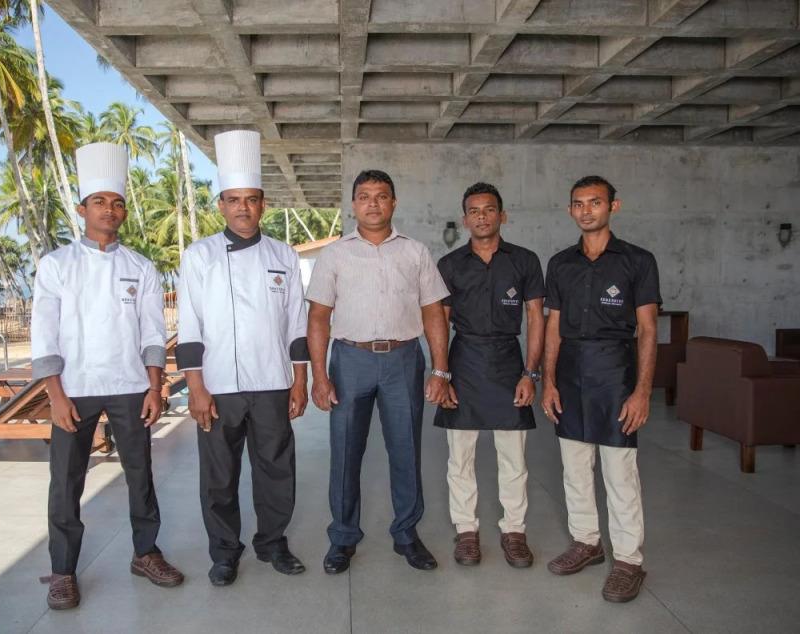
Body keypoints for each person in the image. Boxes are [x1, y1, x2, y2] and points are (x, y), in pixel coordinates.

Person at [33, 142, 183, 611]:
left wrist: (155, 386)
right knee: (66, 481)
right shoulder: (56, 265)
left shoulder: (140, 267)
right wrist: (55, 395)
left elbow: (153, 333)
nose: (109, 209)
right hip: (74, 389)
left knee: (141, 474)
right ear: (82, 210)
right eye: (99, 201)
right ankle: (63, 571)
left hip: (130, 386)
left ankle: (146, 553)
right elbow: (45, 335)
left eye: (117, 202)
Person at [176, 130, 309, 587]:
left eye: (251, 199)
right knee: (219, 475)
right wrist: (195, 387)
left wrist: (300, 380)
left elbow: (296, 323)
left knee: (277, 469)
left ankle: (272, 543)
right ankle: (224, 553)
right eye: (233, 200)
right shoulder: (199, 256)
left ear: (263, 204)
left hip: (272, 381)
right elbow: (189, 326)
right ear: (221, 205)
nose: (243, 208)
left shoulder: (283, 255)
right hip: (217, 385)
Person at [306, 169, 450, 574]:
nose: (373, 203)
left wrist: (440, 370)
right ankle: (343, 537)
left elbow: (434, 312)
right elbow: (318, 317)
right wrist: (320, 376)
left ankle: (406, 534)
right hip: (350, 360)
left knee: (406, 450)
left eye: (381, 195)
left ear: (394, 203)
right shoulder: (335, 254)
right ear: (354, 204)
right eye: (365, 196)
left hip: (403, 359)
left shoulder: (415, 252)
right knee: (345, 451)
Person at [541, 175, 660, 603]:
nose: (586, 210)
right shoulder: (560, 263)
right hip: (570, 372)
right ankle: (586, 542)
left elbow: (648, 330)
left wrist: (642, 391)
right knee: (574, 467)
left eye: (595, 202)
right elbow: (553, 326)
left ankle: (628, 561)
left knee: (619, 471)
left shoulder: (638, 261)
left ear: (613, 206)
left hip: (615, 372)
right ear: (570, 210)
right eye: (579, 203)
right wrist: (548, 381)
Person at [435, 182, 545, 568]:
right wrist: (442, 373)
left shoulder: (525, 261)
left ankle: (514, 531)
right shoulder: (449, 265)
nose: (482, 217)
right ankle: (466, 531)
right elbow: (439, 321)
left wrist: (530, 372)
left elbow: (535, 317)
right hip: (463, 361)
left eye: (489, 209)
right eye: (474, 211)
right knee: (460, 458)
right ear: (465, 219)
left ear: (502, 215)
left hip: (508, 362)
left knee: (513, 458)